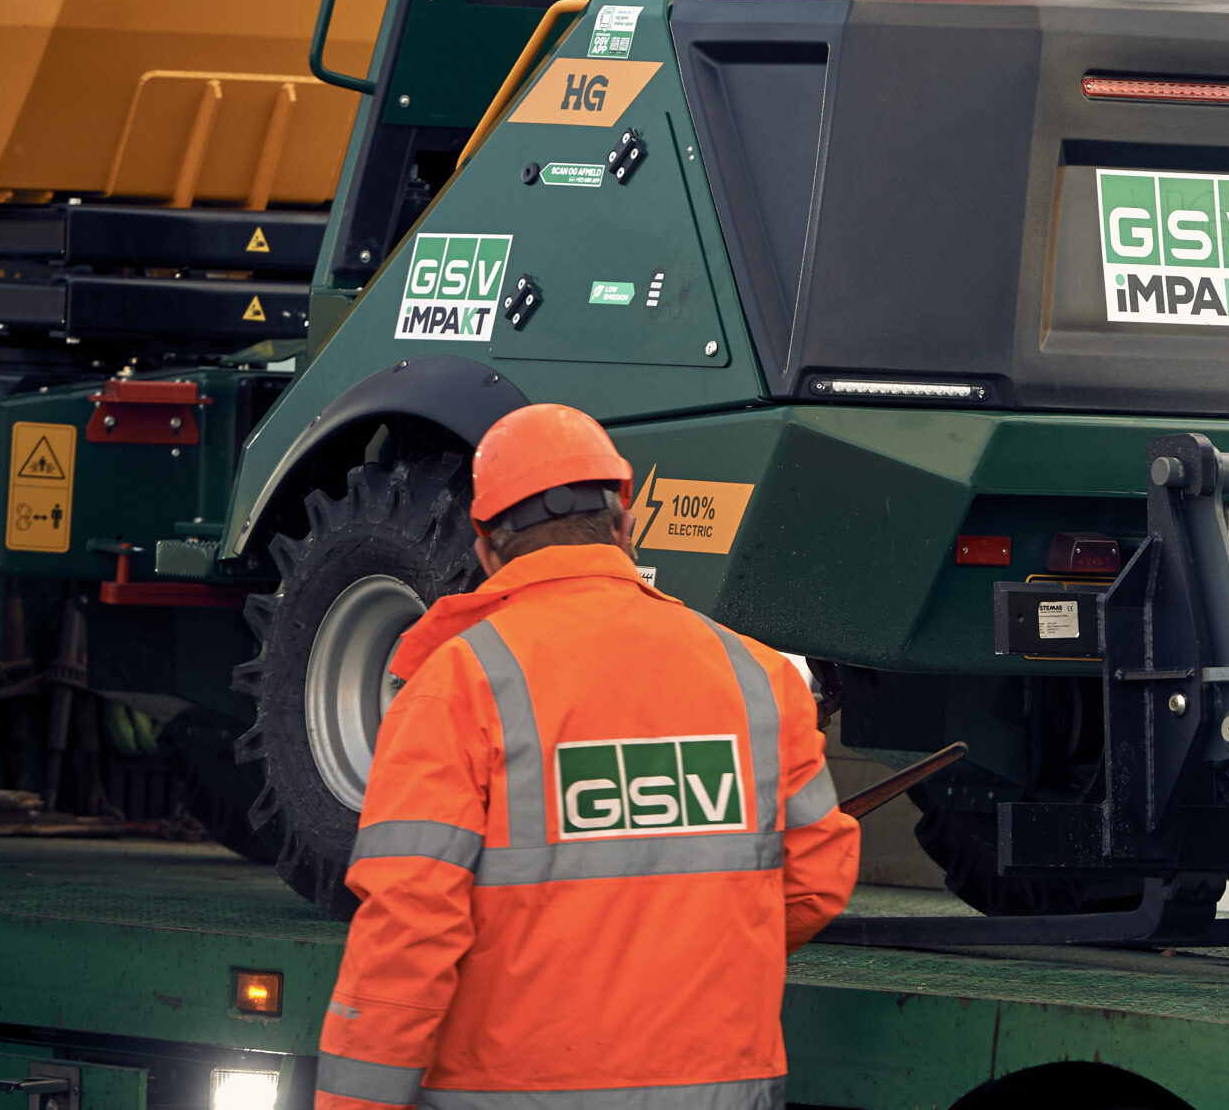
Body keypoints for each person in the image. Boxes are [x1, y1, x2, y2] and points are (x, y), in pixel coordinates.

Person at [314, 403, 858, 1110]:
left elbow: (407, 935)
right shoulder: (758, 678)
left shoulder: (457, 686)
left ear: (486, 547)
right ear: (625, 525)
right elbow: (816, 877)